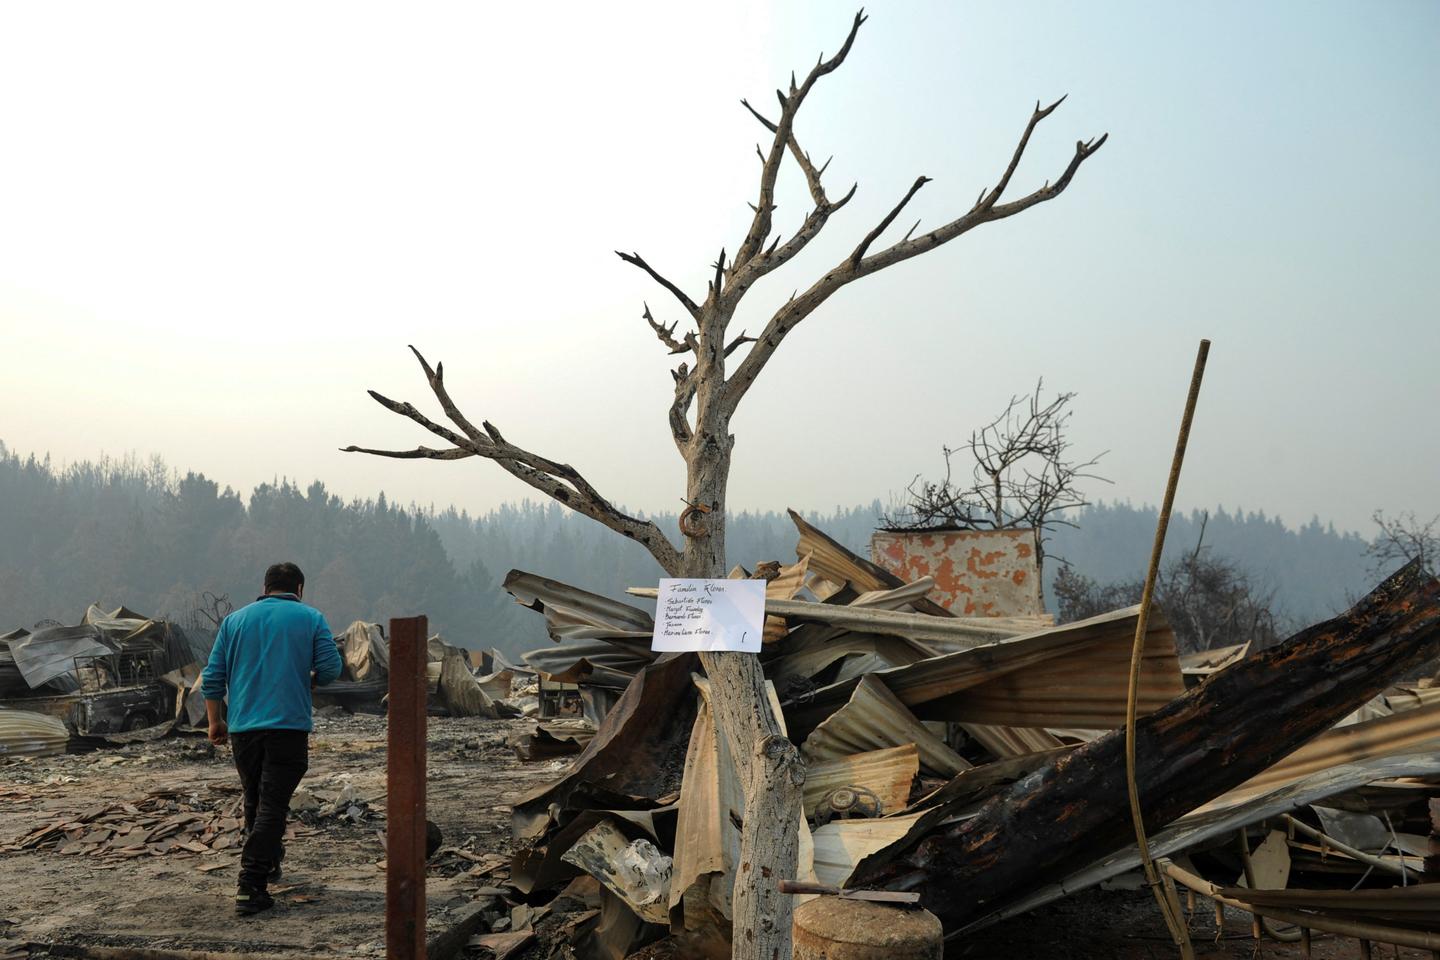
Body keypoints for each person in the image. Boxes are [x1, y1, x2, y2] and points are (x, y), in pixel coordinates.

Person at [201, 562, 342, 915]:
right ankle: (250, 885)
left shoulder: (234, 621)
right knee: (273, 806)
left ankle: (268, 862)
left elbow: (212, 676)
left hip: (243, 730)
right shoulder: (311, 618)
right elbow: (330, 669)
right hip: (287, 728)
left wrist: (215, 722)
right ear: (299, 589)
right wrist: (309, 677)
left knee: (255, 797)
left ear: (265, 588)